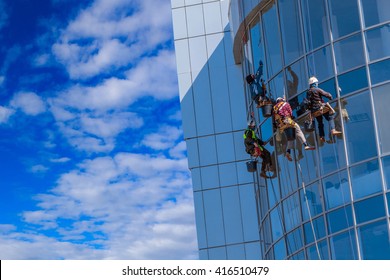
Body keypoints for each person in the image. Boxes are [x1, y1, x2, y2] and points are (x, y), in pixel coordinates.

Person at [273, 97, 315, 161]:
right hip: (287, 121)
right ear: (281, 100)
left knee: (291, 138)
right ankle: (305, 145)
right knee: (298, 130)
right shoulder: (285, 104)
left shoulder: (274, 108)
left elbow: (274, 118)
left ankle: (288, 152)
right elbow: (290, 112)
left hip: (281, 125)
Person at [306, 76, 342, 142]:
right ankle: (333, 130)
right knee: (330, 117)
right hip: (320, 108)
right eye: (316, 83)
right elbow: (326, 94)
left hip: (314, 111)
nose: (317, 84)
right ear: (315, 83)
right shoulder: (317, 89)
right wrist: (330, 97)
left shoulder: (308, 92)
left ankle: (321, 136)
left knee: (320, 123)